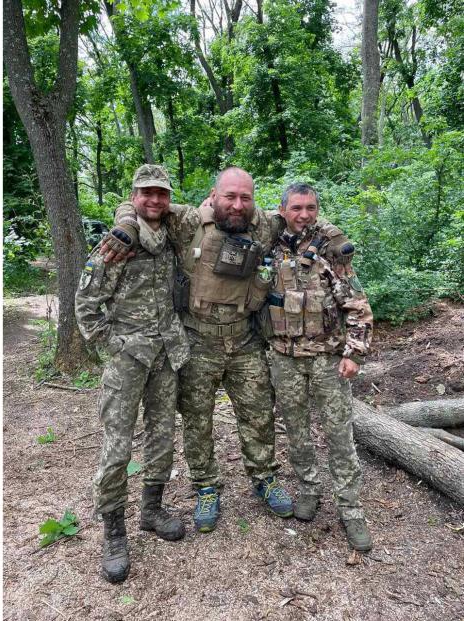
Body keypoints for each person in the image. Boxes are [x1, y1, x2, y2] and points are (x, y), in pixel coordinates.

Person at [102, 167, 293, 533]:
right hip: (196, 341)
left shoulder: (266, 226)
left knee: (258, 414)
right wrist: (125, 225)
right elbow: (140, 205)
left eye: (245, 198)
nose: (237, 205)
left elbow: (305, 218)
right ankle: (206, 485)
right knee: (197, 420)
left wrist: (334, 238)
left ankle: (264, 477)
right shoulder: (188, 221)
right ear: (213, 195)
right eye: (230, 196)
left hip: (244, 340)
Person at [75, 164, 190, 583]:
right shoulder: (118, 242)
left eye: (162, 194)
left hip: (166, 354)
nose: (154, 201)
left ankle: (152, 510)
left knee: (162, 437)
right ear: (134, 196)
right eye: (146, 194)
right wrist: (113, 343)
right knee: (117, 446)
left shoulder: (172, 237)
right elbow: (86, 302)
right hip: (127, 359)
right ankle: (114, 531)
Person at [264, 182, 373, 550]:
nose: (304, 214)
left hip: (328, 358)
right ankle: (309, 490)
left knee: (339, 434)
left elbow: (357, 305)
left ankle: (351, 508)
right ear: (283, 210)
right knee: (296, 430)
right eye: (297, 208)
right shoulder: (270, 246)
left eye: (311, 207)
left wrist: (354, 353)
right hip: (284, 358)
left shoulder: (329, 249)